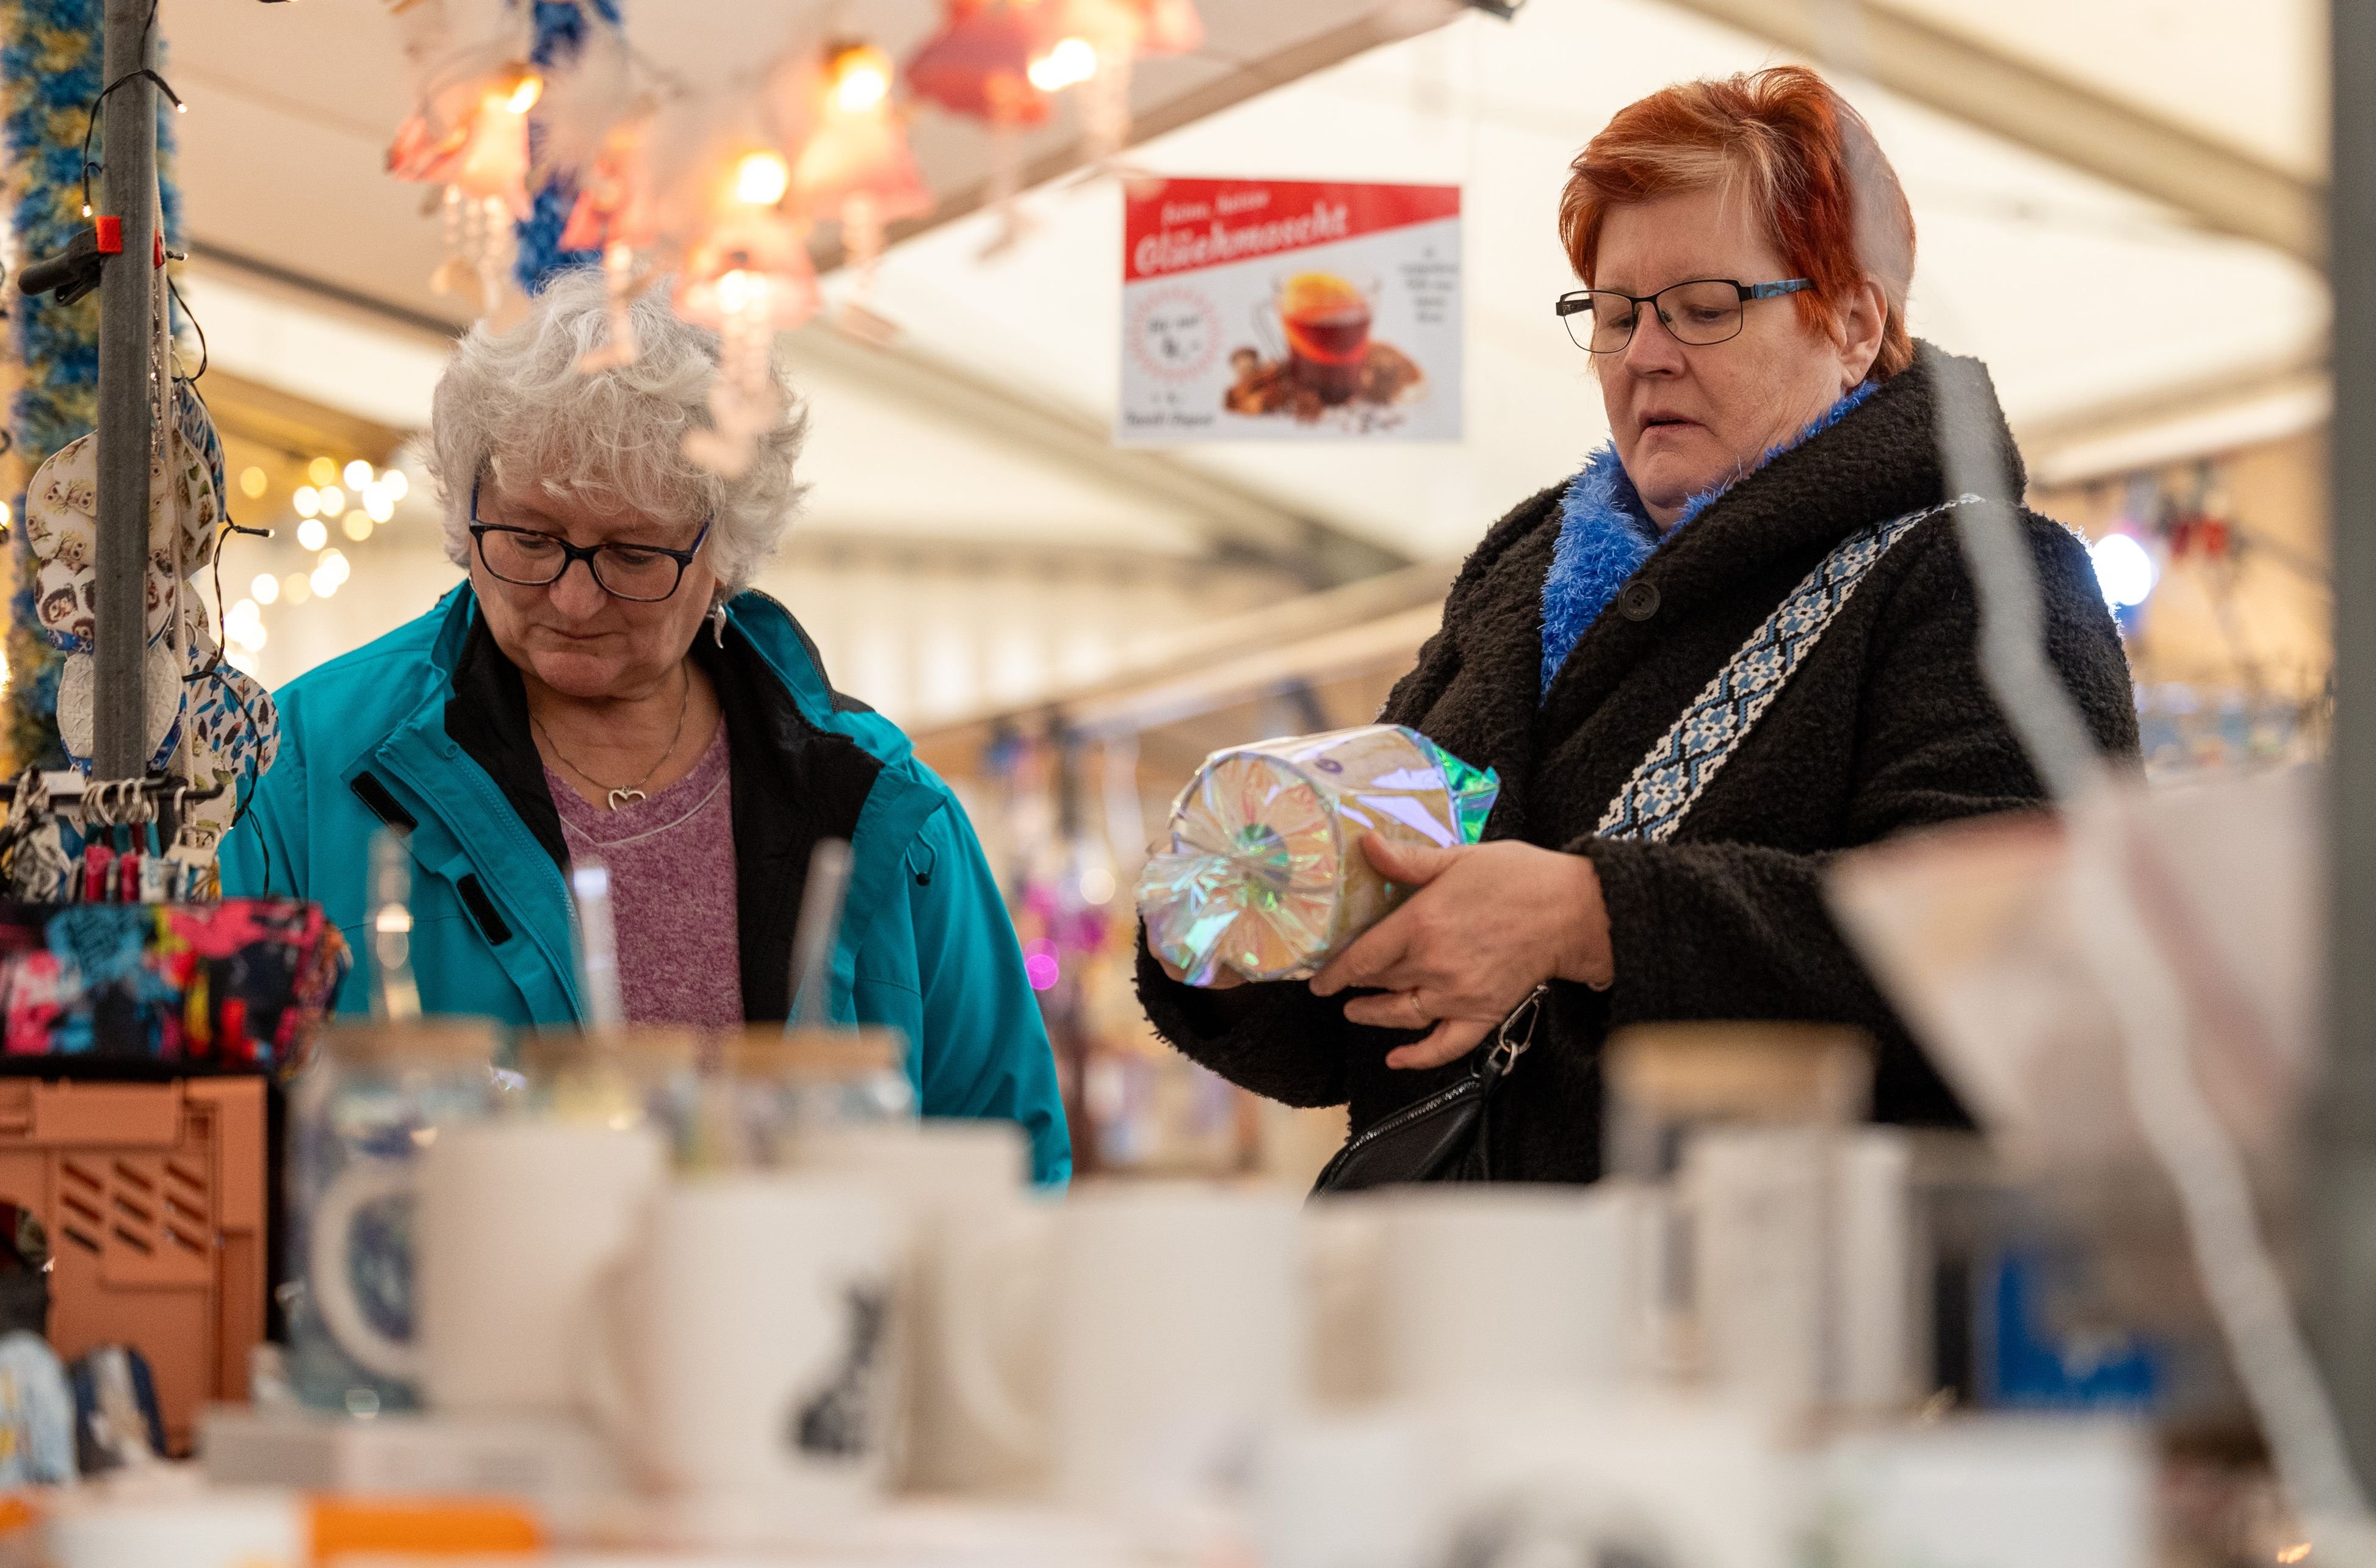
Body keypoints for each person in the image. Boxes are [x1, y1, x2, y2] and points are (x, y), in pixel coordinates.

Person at [1137, 67, 2140, 1183]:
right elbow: (1359, 1022)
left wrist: (1592, 917)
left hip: (1769, 1315)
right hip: (1454, 1305)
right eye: (1613, 316)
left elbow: (2026, 958)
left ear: (1854, 321)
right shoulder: (1521, 580)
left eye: (1705, 309)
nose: (1644, 355)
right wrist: (1236, 926)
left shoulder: (1984, 579)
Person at [226, 273, 1069, 1182]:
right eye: (531, 539)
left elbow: (1003, 1158)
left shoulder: (883, 806)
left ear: (728, 547)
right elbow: (220, 1131)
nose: (575, 597)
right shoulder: (303, 765)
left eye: (633, 553)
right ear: (465, 514)